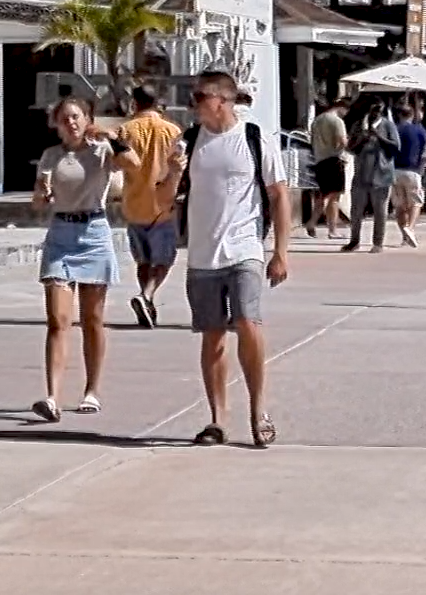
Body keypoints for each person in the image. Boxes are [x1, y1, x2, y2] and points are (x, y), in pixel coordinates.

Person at [178, 71, 290, 448]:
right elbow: (163, 197)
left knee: (247, 321)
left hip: (245, 249)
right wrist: (169, 173)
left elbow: (278, 195)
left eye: (200, 96)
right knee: (212, 338)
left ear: (222, 100)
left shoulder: (255, 139)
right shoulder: (189, 142)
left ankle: (258, 410)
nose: (194, 103)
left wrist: (280, 251)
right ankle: (217, 420)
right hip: (202, 254)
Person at [30, 96, 140, 422]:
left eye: (76, 117)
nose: (71, 123)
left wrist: (111, 137)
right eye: (64, 119)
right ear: (57, 124)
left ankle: (92, 390)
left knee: (92, 319)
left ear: (87, 118)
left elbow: (133, 163)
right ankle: (52, 397)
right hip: (61, 234)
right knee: (58, 320)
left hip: (93, 231)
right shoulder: (51, 157)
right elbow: (38, 199)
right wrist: (42, 195)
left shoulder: (101, 152)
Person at [119, 86, 183, 329]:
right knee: (163, 260)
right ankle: (147, 295)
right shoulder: (172, 131)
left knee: (143, 261)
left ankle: (147, 299)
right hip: (162, 207)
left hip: (134, 204)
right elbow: (180, 165)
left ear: (134, 103)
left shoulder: (125, 130)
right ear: (158, 103)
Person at [346, 98, 399, 252]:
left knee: (380, 211)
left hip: (381, 175)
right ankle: (354, 241)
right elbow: (350, 148)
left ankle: (378, 243)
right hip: (361, 173)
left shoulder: (388, 126)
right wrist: (362, 140)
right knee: (356, 210)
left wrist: (379, 136)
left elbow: (396, 147)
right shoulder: (358, 125)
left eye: (378, 109)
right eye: (372, 109)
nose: (375, 113)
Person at [308, 98, 348, 239]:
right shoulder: (337, 121)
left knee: (323, 194)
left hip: (320, 159)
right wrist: (341, 151)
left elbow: (311, 140)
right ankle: (332, 230)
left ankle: (312, 222)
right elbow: (342, 141)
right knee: (334, 197)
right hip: (334, 160)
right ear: (342, 108)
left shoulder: (317, 121)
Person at [391, 104, 426, 247]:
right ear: (412, 114)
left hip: (395, 170)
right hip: (413, 170)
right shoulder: (419, 130)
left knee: (399, 205)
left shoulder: (394, 129)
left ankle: (404, 236)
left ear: (399, 115)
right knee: (416, 202)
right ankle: (410, 228)